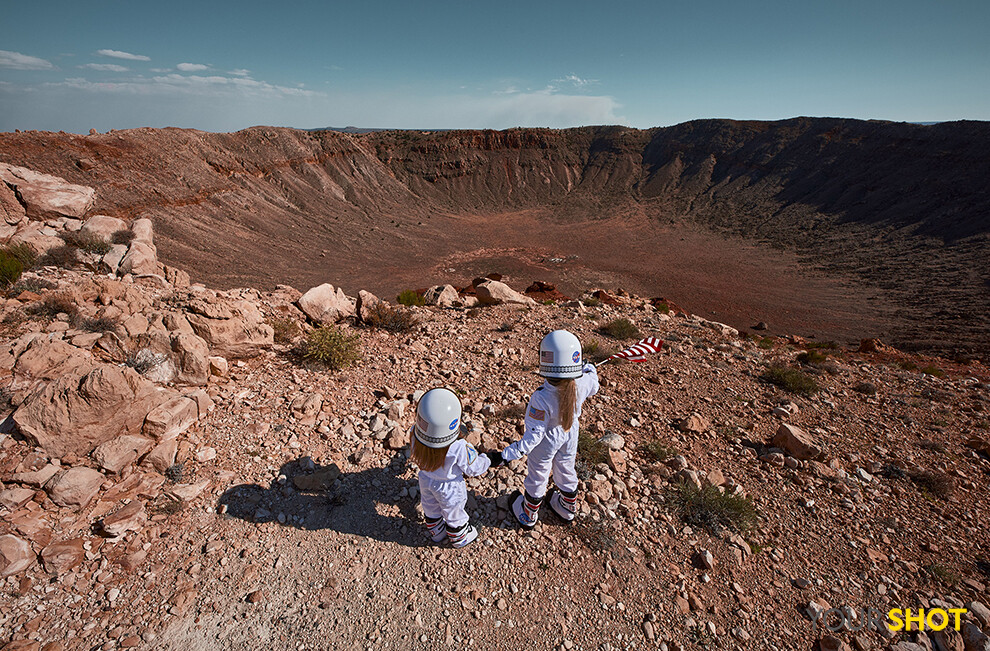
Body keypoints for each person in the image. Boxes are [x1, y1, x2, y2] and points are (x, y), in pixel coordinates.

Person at [490, 330, 600, 529]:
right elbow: (594, 383)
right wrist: (589, 368)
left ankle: (528, 514)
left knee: (539, 473)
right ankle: (567, 508)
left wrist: (506, 455)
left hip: (547, 440)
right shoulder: (582, 382)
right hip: (570, 432)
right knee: (566, 467)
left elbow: (534, 437)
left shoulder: (541, 397)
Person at [409, 387, 491, 547]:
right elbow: (473, 468)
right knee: (454, 512)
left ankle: (437, 532)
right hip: (450, 488)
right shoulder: (458, 447)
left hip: (425, 480)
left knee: (430, 507)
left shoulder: (413, 434)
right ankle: (460, 537)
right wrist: (486, 459)